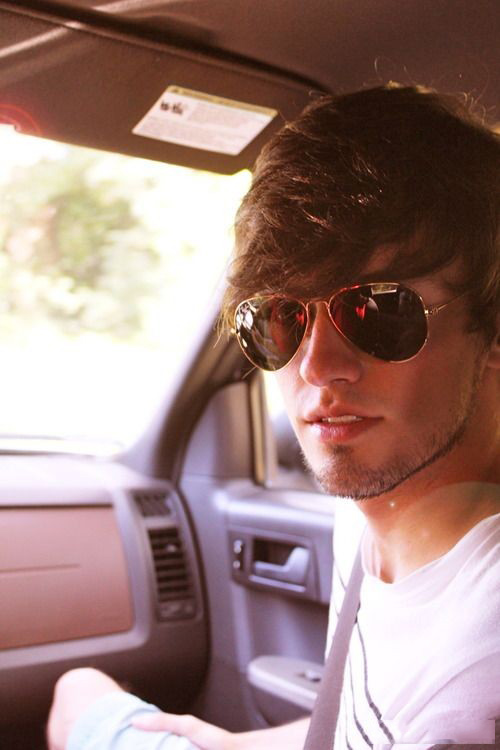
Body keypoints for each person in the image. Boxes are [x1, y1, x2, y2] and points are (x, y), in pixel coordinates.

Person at [47, 83, 500, 750]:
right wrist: (228, 744)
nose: (316, 366)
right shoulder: (374, 509)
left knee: (79, 700)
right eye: (280, 319)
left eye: (376, 312)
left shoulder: (480, 663)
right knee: (78, 691)